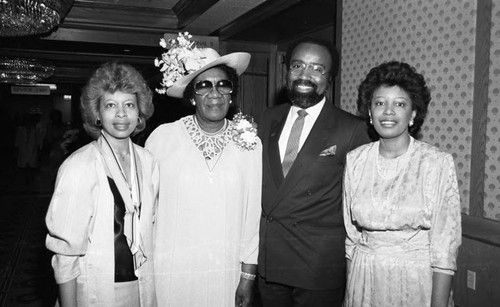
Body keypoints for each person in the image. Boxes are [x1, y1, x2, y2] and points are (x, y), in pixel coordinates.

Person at [146, 33, 262, 307]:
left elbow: (252, 213)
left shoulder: (249, 142)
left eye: (223, 85)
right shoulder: (163, 138)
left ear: (232, 93)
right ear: (191, 96)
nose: (214, 93)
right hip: (172, 267)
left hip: (225, 270)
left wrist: (248, 274)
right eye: (204, 86)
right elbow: (144, 211)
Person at [257, 38, 370, 307]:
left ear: (329, 79)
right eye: (298, 65)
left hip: (317, 265)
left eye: (317, 69)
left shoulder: (352, 129)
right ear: (287, 72)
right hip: (270, 260)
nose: (305, 75)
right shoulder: (267, 118)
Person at [343, 61, 462, 307]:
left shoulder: (436, 163)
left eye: (399, 104)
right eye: (379, 103)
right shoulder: (355, 160)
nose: (388, 112)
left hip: (416, 281)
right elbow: (351, 239)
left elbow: (445, 250)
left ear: (413, 114)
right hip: (364, 279)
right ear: (369, 112)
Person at [45, 61, 158, 307]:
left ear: (139, 112)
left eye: (129, 104)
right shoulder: (79, 166)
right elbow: (66, 255)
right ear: (97, 114)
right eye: (110, 105)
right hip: (97, 291)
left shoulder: (148, 161)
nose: (121, 114)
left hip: (143, 288)